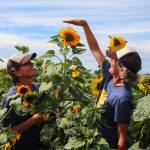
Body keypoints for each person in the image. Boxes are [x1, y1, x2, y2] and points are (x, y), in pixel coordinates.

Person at [63, 19, 142, 150]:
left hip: (106, 146)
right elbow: (95, 50)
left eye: (113, 59)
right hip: (94, 140)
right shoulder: (110, 77)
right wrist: (85, 25)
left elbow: (121, 138)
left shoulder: (122, 98)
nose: (110, 60)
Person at [1, 53, 46, 150]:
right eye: (27, 63)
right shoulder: (11, 98)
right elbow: (5, 132)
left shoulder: (39, 88)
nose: (32, 64)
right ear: (16, 72)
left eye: (31, 62)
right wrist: (34, 120)